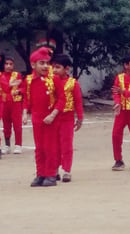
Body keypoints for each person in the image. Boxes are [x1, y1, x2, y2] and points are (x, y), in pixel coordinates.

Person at [23, 47, 67, 187]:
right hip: (37, 118)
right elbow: (26, 99)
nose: (45, 66)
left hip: (51, 119)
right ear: (33, 65)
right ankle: (40, 174)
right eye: (41, 63)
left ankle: (51, 174)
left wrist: (53, 114)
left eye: (47, 63)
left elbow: (62, 99)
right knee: (39, 148)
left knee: (50, 147)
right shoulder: (29, 80)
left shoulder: (54, 79)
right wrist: (25, 113)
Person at [50, 54, 84, 182]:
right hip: (54, 117)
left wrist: (80, 118)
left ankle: (67, 170)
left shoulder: (72, 83)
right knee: (54, 145)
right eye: (53, 67)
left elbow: (78, 102)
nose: (54, 70)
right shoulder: (51, 81)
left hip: (67, 117)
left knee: (66, 144)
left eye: (58, 67)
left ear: (67, 69)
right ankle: (55, 169)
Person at [1, 55, 24, 155]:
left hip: (15, 103)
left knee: (17, 124)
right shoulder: (1, 75)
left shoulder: (17, 75)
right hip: (4, 102)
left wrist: (19, 90)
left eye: (10, 64)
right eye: (6, 64)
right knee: (6, 125)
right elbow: (5, 88)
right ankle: (7, 145)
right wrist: (12, 85)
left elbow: (23, 88)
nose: (8, 66)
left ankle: (18, 145)